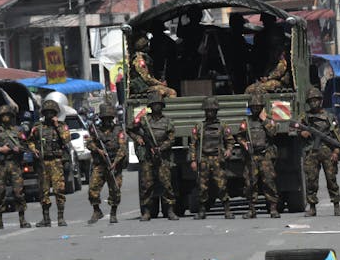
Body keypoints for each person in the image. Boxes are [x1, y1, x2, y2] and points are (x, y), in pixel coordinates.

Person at [127, 92, 179, 221]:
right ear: (151, 106)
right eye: (154, 105)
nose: (156, 107)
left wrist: (160, 148)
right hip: (147, 156)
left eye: (159, 105)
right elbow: (129, 129)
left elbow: (171, 139)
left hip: (162, 156)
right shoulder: (144, 120)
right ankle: (146, 211)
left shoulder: (168, 121)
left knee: (167, 184)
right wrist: (138, 138)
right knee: (147, 184)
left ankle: (170, 210)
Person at [295, 88, 340, 217]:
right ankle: (312, 207)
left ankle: (336, 205)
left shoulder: (329, 116)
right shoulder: (304, 117)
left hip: (327, 151)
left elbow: (337, 136)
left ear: (321, 101)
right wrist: (302, 133)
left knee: (331, 179)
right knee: (311, 180)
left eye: (316, 100)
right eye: (311, 101)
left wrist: (336, 152)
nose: (313, 103)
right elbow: (295, 128)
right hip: (311, 152)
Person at [0, 105, 32, 230]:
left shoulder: (17, 130)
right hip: (0, 165)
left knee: (18, 192)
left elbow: (26, 145)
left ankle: (22, 219)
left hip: (14, 164)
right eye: (3, 116)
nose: (6, 118)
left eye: (8, 115)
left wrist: (18, 149)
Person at [189, 96, 235, 219]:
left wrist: (229, 150)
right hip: (203, 159)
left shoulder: (222, 126)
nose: (210, 113)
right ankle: (202, 210)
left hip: (217, 159)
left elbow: (230, 140)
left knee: (222, 185)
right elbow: (193, 144)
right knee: (202, 186)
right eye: (208, 110)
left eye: (212, 110)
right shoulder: (199, 126)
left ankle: (227, 210)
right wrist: (193, 160)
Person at [28, 100, 71, 227]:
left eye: (52, 112)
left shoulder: (61, 126)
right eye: (47, 112)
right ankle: (46, 218)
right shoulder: (38, 127)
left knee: (59, 190)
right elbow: (30, 141)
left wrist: (57, 125)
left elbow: (66, 139)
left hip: (57, 161)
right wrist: (33, 149)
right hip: (43, 162)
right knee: (44, 191)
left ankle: (60, 217)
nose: (49, 115)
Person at [237, 93, 279, 218]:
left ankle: (273, 208)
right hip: (251, 156)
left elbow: (273, 132)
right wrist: (244, 143)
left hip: (265, 155)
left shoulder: (268, 120)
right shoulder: (246, 122)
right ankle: (251, 209)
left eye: (258, 107)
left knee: (269, 182)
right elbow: (239, 136)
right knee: (250, 183)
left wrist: (264, 119)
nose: (256, 109)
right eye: (253, 107)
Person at [86, 102, 127, 224]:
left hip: (114, 164)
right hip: (100, 165)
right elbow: (89, 143)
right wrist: (97, 150)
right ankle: (96, 210)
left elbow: (122, 148)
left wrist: (115, 162)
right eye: (105, 119)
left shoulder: (118, 130)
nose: (107, 121)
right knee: (92, 189)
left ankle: (113, 213)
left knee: (115, 189)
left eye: (109, 118)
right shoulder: (96, 131)